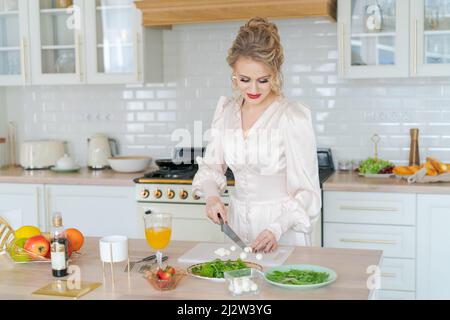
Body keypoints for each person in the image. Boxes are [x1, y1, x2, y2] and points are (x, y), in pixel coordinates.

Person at [192, 17, 321, 253]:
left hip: (283, 230)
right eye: (244, 80)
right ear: (233, 72)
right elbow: (211, 167)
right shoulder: (227, 112)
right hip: (237, 227)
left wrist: (276, 228)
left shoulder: (292, 116)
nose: (253, 89)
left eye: (263, 80)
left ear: (275, 73)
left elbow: (308, 191)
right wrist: (211, 197)